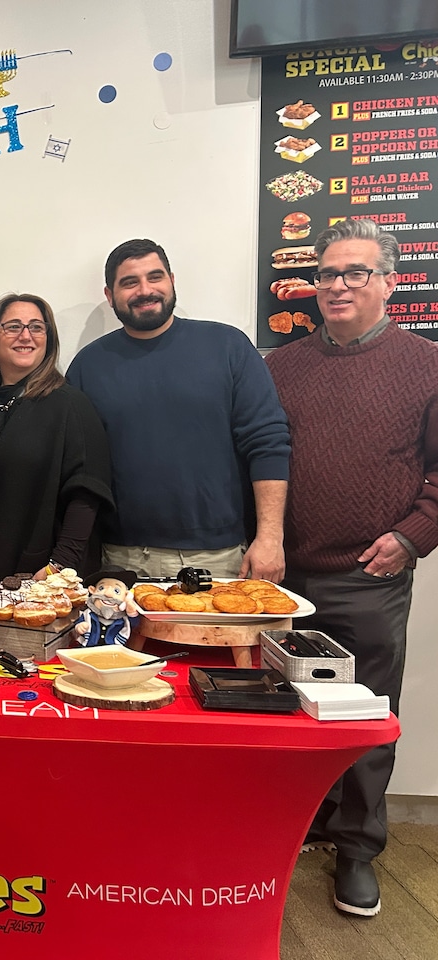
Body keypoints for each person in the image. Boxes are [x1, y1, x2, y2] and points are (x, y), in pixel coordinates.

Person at [266, 218, 438, 918]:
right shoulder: (280, 365)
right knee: (288, 717)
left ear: (390, 282)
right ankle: (298, 825)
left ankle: (359, 849)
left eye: (354, 272)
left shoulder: (427, 363)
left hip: (369, 576)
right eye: (327, 273)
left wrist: (413, 535)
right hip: (282, 581)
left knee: (366, 719)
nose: (336, 286)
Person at [66, 238, 291, 580]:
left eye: (154, 277)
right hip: (119, 558)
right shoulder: (88, 365)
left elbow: (268, 443)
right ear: (110, 295)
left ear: (171, 280)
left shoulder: (228, 347)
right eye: (129, 282)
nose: (145, 290)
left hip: (218, 558)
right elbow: (77, 469)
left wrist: (271, 538)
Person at [0, 293, 111, 587]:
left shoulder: (70, 405)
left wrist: (59, 566)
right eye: (13, 326)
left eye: (37, 327)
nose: (25, 335)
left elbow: (87, 494)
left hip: (40, 579)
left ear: (48, 340)